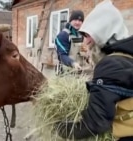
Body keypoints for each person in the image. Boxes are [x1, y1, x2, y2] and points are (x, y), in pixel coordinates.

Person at [56, 0, 133, 141]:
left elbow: (96, 123)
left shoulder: (110, 65)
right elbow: (62, 54)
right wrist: (72, 63)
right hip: (67, 71)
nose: (86, 41)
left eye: (87, 35)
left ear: (101, 30)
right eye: (84, 35)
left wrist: (57, 127)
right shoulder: (128, 56)